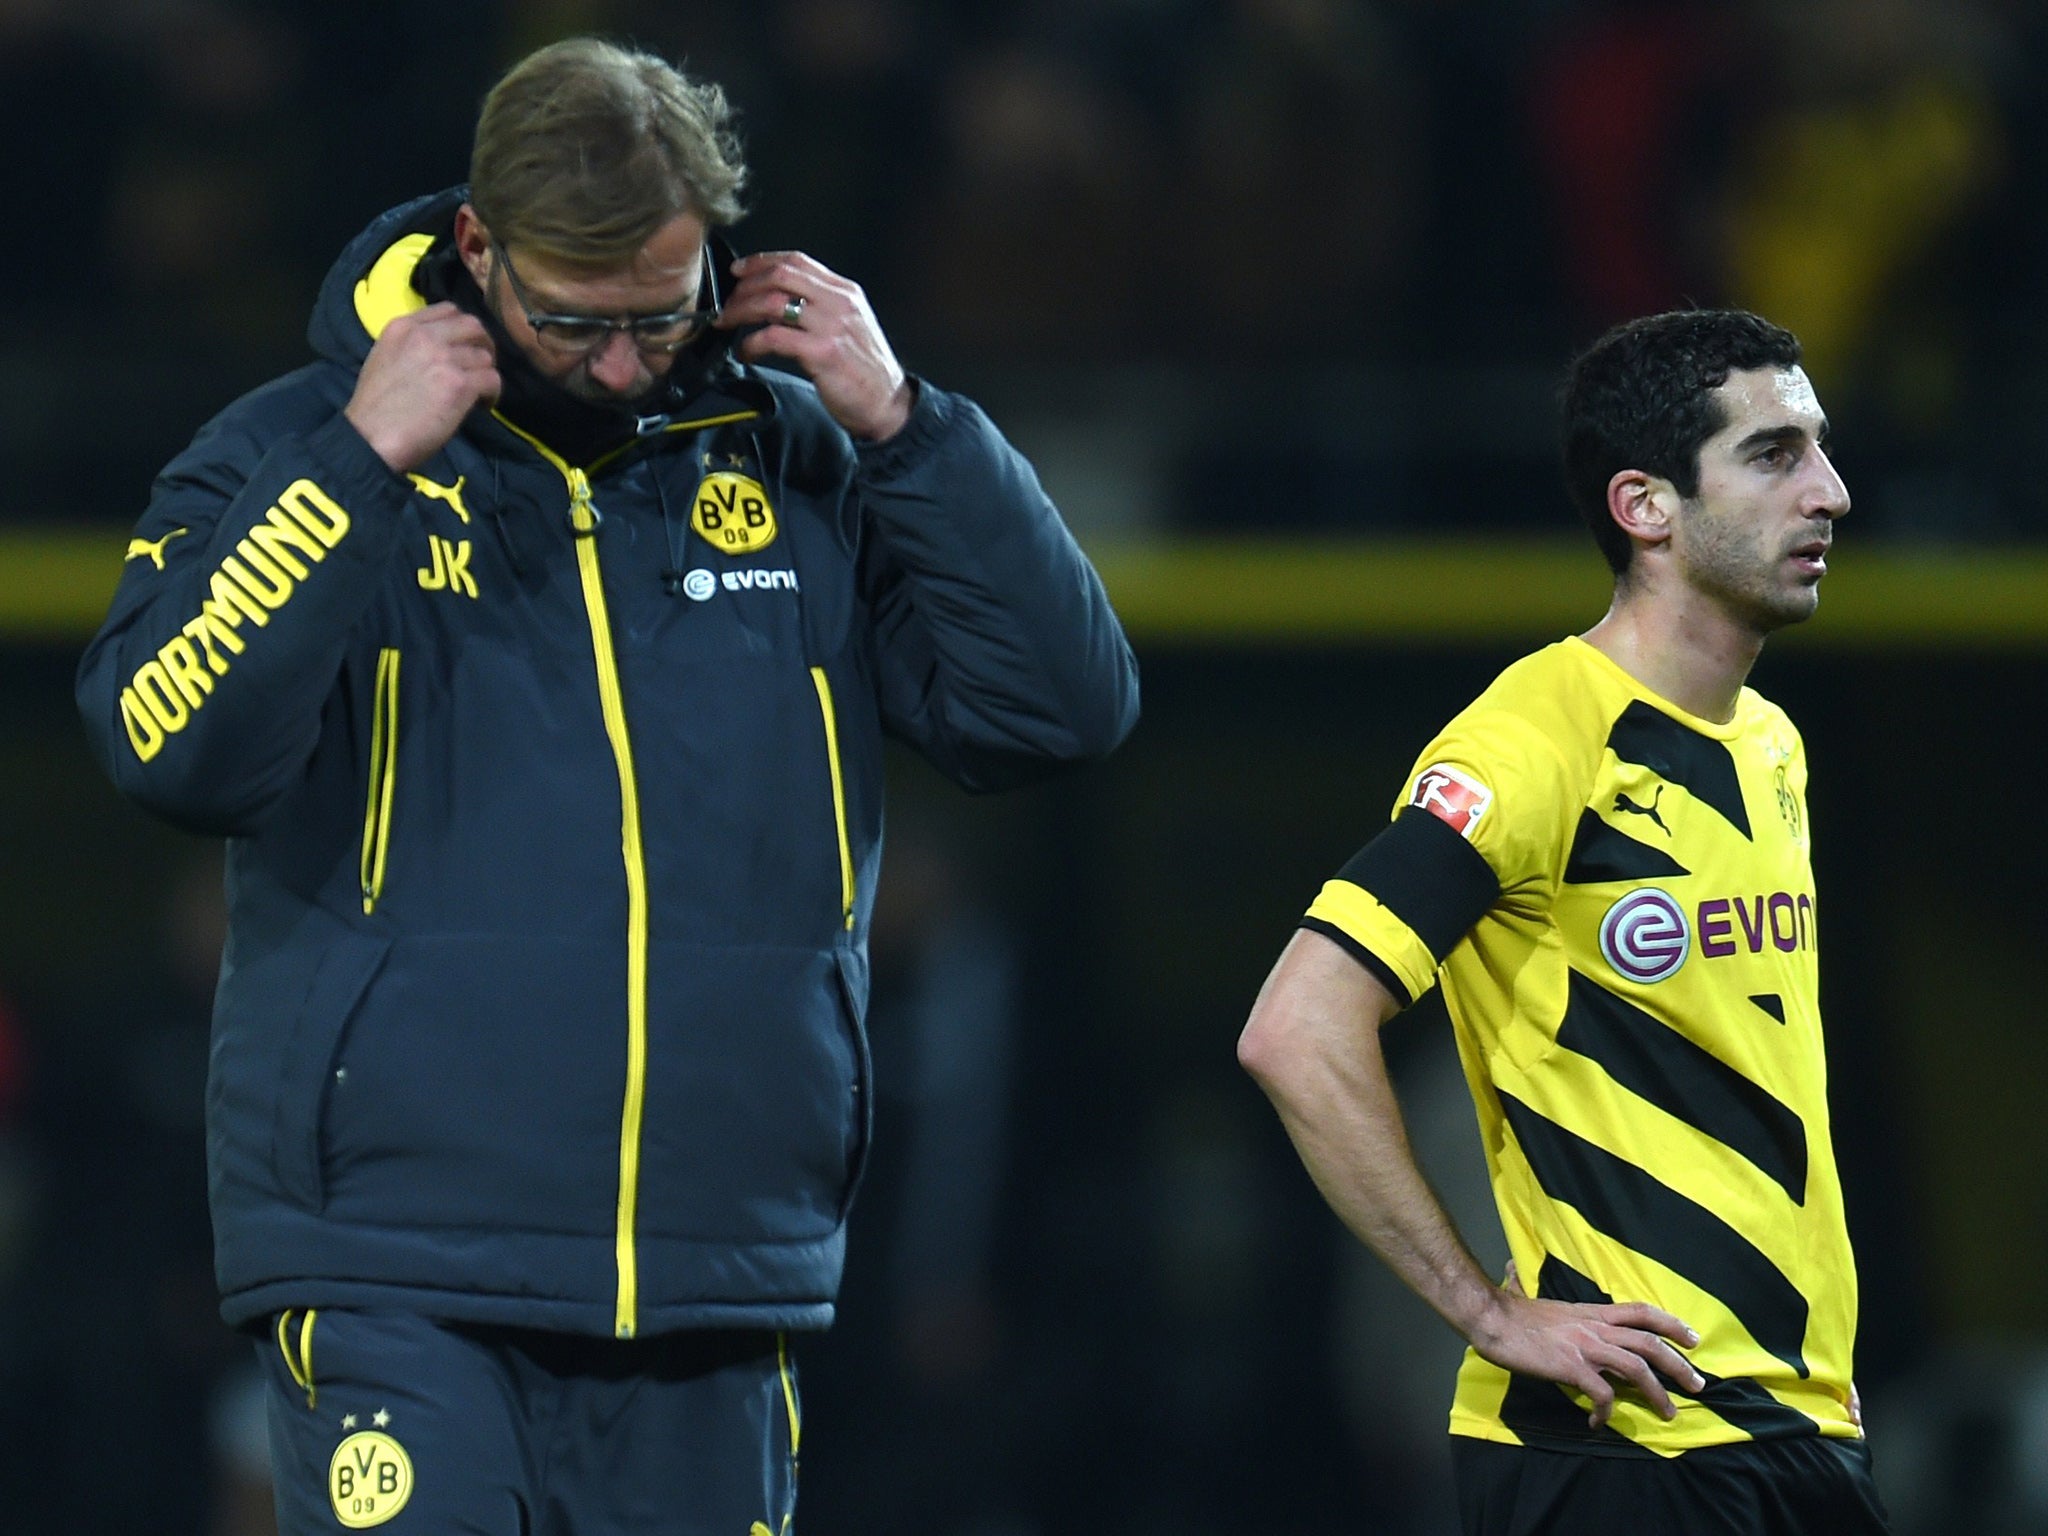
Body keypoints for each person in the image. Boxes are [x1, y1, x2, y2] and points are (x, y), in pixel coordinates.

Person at [76, 35, 1138, 1536]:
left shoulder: (804, 459)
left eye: (663, 311)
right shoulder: (291, 449)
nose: (630, 362)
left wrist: (910, 424)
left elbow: (1060, 706)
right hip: (398, 1271)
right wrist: (357, 468)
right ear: (476, 250)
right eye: (577, 320)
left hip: (717, 1267)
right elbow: (164, 741)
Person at [1237, 309, 1889, 1534]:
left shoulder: (1770, 744)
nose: (1831, 493)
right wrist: (1486, 1315)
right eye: (1772, 455)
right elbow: (1296, 1028)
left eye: (1818, 448)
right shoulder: (1533, 739)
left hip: (1796, 1426)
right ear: (1643, 506)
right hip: (1623, 1445)